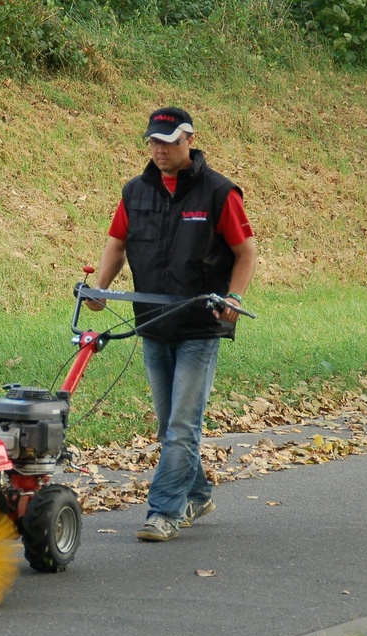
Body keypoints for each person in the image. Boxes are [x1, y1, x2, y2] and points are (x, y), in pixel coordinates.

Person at [86, 106, 257, 542]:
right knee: (169, 425)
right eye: (153, 142)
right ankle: (198, 493)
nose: (159, 150)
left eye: (168, 142)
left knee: (182, 426)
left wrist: (234, 296)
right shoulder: (135, 192)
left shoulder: (219, 193)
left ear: (189, 141)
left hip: (200, 325)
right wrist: (100, 289)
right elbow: (116, 244)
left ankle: (163, 511)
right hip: (154, 324)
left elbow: (245, 252)